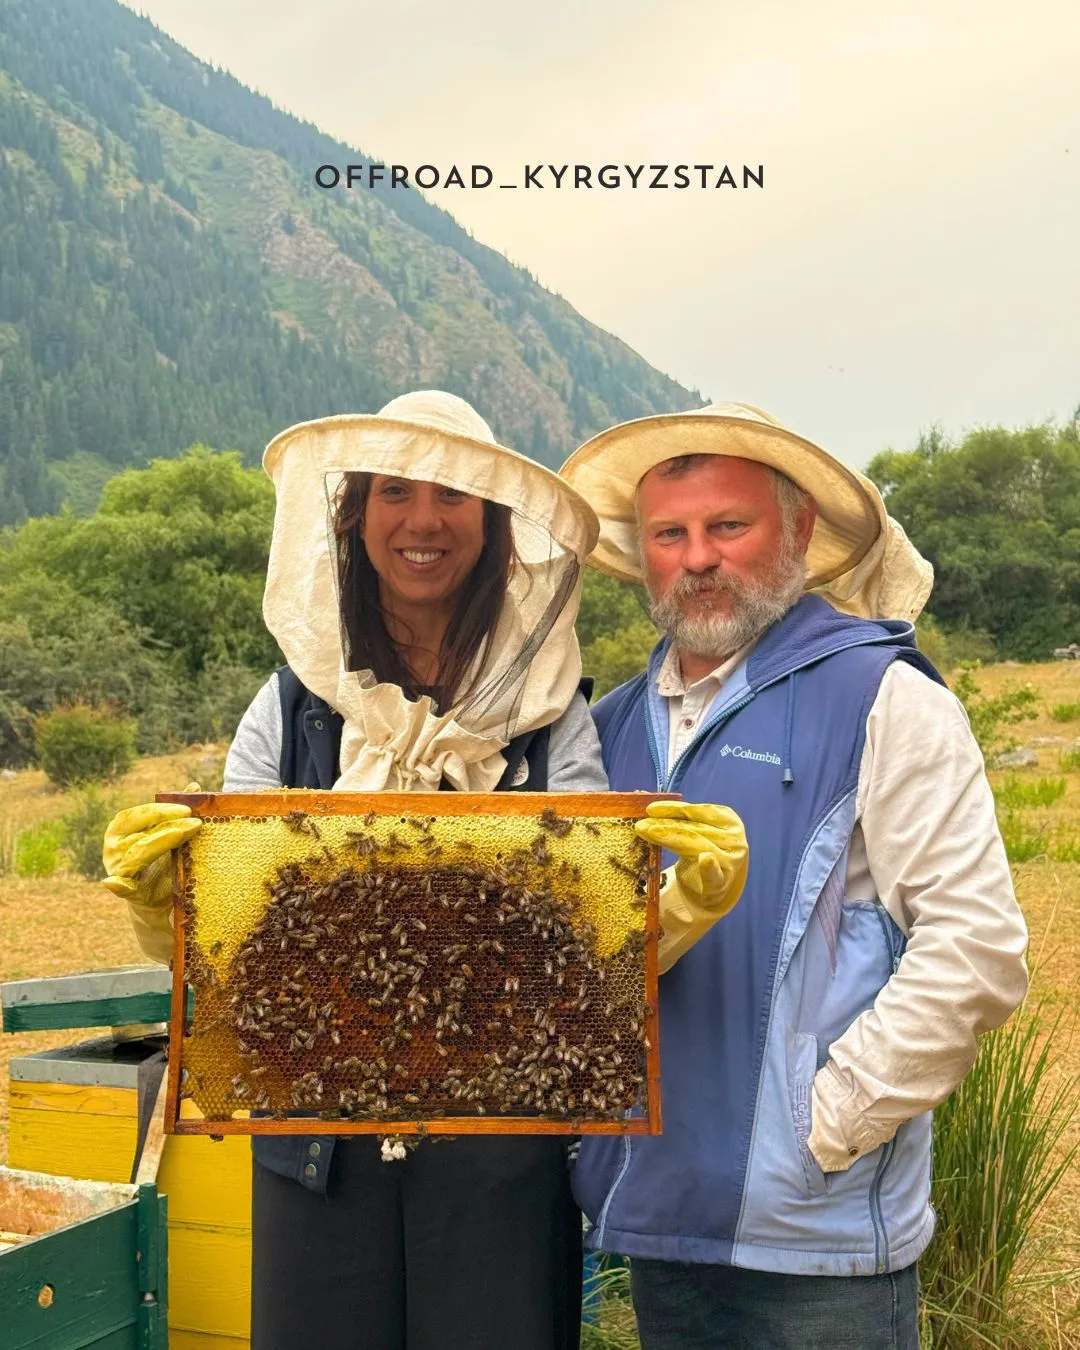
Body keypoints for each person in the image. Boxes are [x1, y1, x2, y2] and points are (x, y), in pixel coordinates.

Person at [100, 390, 749, 1350]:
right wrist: (171, 913)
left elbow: (586, 954)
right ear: (355, 518)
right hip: (313, 1150)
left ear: (492, 526)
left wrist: (675, 909)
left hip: (500, 1159)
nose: (423, 519)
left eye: (452, 495)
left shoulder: (548, 716)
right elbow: (232, 950)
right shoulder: (287, 713)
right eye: (394, 491)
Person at [560, 402, 1029, 1350]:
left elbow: (976, 950)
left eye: (729, 526)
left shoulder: (884, 696)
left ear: (800, 531)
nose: (698, 558)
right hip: (658, 1221)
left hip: (820, 1246)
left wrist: (825, 1130)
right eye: (670, 534)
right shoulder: (605, 730)